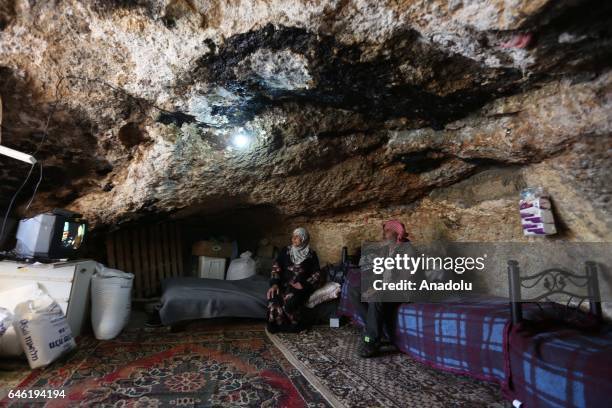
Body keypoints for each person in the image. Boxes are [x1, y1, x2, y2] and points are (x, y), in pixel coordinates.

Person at [350, 219, 414, 358]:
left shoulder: (408, 250)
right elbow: (378, 272)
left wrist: (380, 288)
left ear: (397, 232)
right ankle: (372, 328)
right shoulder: (386, 250)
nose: (383, 234)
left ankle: (371, 341)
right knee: (355, 291)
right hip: (386, 287)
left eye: (387, 231)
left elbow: (405, 278)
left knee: (377, 297)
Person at [266, 227, 322, 333]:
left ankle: (297, 326)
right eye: (293, 236)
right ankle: (276, 326)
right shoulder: (285, 251)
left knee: (289, 301)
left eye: (297, 237)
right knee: (274, 298)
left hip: (300, 287)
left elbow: (317, 274)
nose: (294, 239)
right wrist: (274, 284)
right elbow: (276, 267)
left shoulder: (311, 254)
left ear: (304, 238)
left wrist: (304, 284)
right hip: (283, 284)